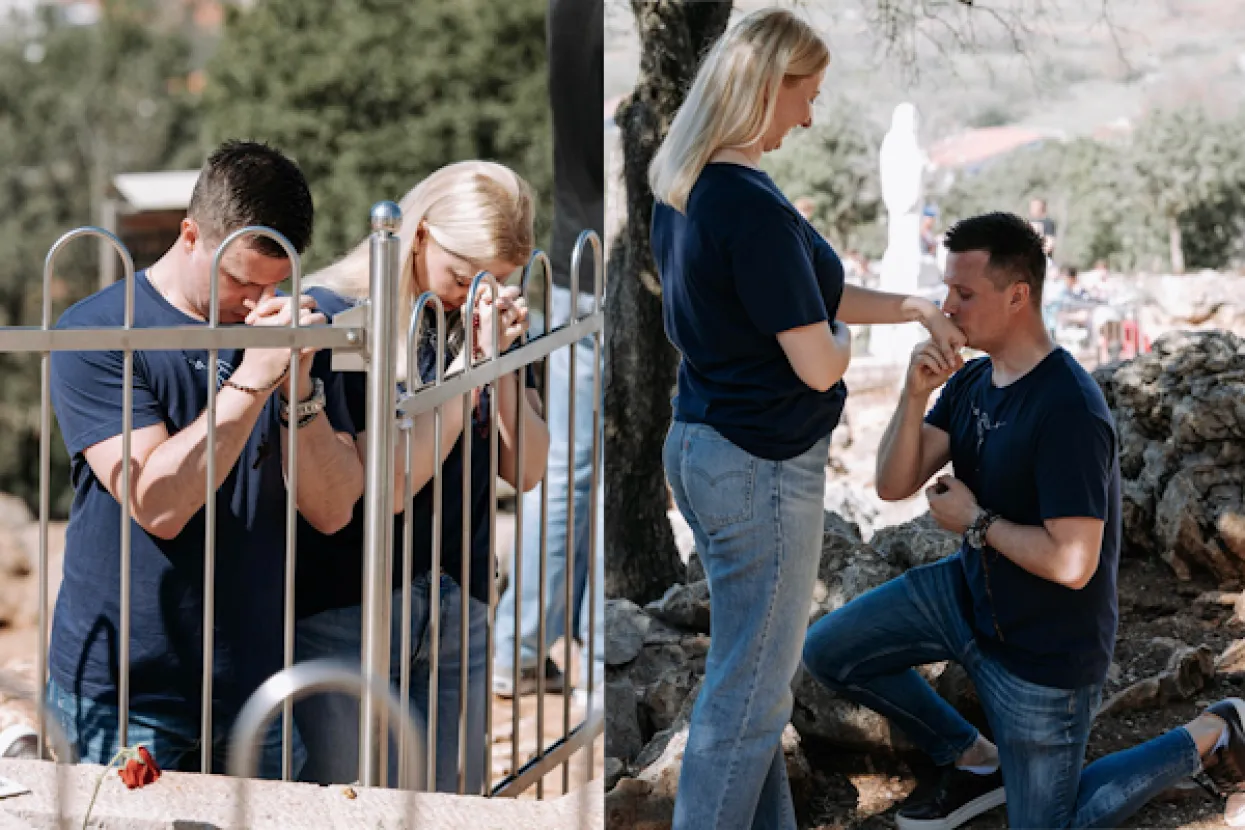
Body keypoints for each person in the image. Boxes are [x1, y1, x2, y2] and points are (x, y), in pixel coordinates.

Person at [802, 211, 1245, 830]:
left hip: (1044, 655)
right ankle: (973, 760)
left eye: (963, 294)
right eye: (947, 291)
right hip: (966, 598)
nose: (945, 308)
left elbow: (1073, 562)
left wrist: (976, 522)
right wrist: (914, 393)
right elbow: (892, 482)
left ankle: (1209, 731)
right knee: (829, 651)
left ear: (1017, 296)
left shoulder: (1068, 408)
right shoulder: (976, 378)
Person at [646, 10, 965, 828]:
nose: (809, 115)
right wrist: (851, 339)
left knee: (750, 679)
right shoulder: (743, 201)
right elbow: (818, 355)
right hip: (758, 463)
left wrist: (908, 305)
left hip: (708, 445)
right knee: (748, 693)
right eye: (806, 95)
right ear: (765, 87)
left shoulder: (688, 185)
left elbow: (801, 295)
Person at [47, 140, 363, 778]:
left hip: (258, 688)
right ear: (190, 235)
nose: (256, 304)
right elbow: (157, 504)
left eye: (276, 284)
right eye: (241, 280)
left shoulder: (294, 332)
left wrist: (299, 390)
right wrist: (252, 380)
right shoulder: (100, 332)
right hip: (127, 694)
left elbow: (334, 509)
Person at [293, 160, 549, 793]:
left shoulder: (487, 325)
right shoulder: (338, 319)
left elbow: (529, 468)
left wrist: (504, 365)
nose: (474, 296)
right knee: (345, 803)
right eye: (462, 277)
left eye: (497, 282)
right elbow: (392, 483)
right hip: (350, 599)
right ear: (420, 234)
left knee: (438, 807)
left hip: (460, 595)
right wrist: (469, 369)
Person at [493, 0, 606, 706]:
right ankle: (586, 654)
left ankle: (522, 645)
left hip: (571, 262)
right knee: (596, 465)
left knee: (569, 465)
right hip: (605, 264)